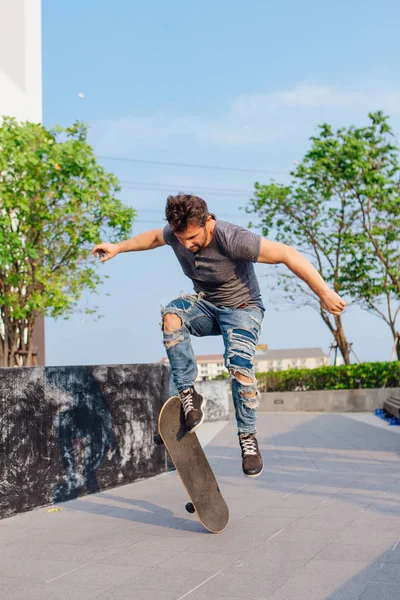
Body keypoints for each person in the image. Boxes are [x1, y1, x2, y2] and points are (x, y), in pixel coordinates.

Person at [92, 194, 346, 477]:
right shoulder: (177, 234)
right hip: (206, 306)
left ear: (207, 222)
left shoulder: (233, 238)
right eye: (180, 238)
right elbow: (153, 238)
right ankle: (188, 395)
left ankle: (248, 438)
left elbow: (288, 254)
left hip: (242, 309)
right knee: (171, 316)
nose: (186, 245)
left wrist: (324, 291)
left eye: (192, 238)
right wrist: (118, 247)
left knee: (239, 366)